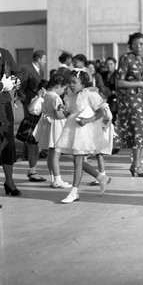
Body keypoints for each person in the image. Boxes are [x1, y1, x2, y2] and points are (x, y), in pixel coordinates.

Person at [56, 70, 112, 203]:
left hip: (84, 131)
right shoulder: (70, 96)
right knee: (77, 161)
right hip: (73, 129)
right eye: (70, 82)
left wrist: (87, 121)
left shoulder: (90, 94)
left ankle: (74, 192)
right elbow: (70, 113)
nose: (71, 85)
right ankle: (100, 177)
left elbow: (100, 113)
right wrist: (64, 111)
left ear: (83, 83)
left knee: (77, 161)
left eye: (74, 82)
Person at [115, 32, 143, 177]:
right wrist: (139, 83)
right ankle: (136, 165)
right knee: (137, 130)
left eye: (142, 44)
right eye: (136, 44)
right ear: (131, 45)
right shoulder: (126, 58)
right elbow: (119, 82)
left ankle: (136, 164)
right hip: (130, 99)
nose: (139, 46)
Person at [33, 74, 72, 188]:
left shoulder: (46, 95)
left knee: (51, 153)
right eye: (64, 88)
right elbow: (58, 114)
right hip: (56, 125)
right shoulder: (55, 97)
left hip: (48, 124)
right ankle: (58, 179)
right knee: (56, 153)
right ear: (58, 85)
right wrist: (68, 114)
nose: (64, 91)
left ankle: (53, 177)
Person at [17, 50, 46, 176]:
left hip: (38, 106)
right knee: (29, 135)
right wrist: (26, 103)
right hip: (30, 106)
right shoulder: (27, 69)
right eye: (44, 59)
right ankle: (27, 160)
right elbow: (20, 88)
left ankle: (32, 164)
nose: (45, 62)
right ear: (38, 58)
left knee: (34, 135)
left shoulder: (41, 71)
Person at [1, 47, 22, 196]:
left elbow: (17, 73)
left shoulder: (4, 53)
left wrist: (14, 81)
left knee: (7, 144)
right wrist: (2, 85)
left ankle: (9, 182)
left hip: (3, 105)